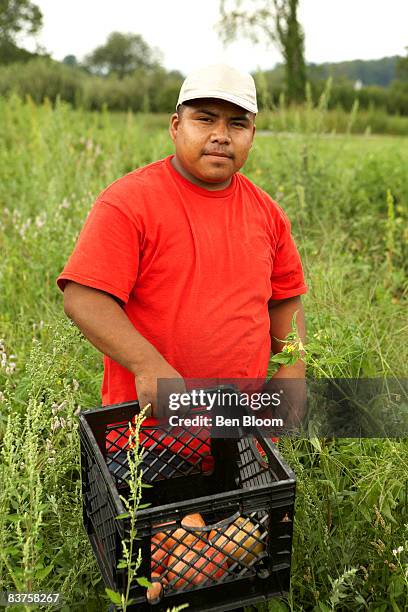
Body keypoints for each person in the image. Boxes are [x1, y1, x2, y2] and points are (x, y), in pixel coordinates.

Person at [57, 64, 307, 424]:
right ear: (176, 127)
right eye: (205, 119)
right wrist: (148, 365)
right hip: (149, 433)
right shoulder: (129, 201)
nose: (221, 135)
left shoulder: (267, 213)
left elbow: (285, 302)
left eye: (237, 124)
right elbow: (83, 298)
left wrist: (292, 372)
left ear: (252, 134)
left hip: (240, 429)